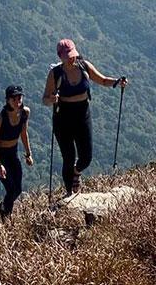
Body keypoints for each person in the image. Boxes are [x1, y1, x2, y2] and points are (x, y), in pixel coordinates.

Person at [42, 38, 128, 196]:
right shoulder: (55, 74)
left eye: (72, 55)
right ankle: (69, 194)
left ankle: (77, 172)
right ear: (60, 57)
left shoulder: (84, 66)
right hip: (63, 118)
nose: (71, 58)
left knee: (86, 157)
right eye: (68, 56)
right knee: (68, 157)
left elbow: (102, 80)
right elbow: (45, 99)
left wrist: (117, 82)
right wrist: (52, 100)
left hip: (83, 114)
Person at [0, 85, 33, 221]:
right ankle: (6, 218)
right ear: (8, 100)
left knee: (17, 189)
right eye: (14, 98)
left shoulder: (25, 113)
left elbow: (24, 133)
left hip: (13, 153)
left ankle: (3, 207)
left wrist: (28, 154)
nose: (18, 100)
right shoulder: (0, 119)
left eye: (20, 97)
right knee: (11, 189)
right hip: (0, 155)